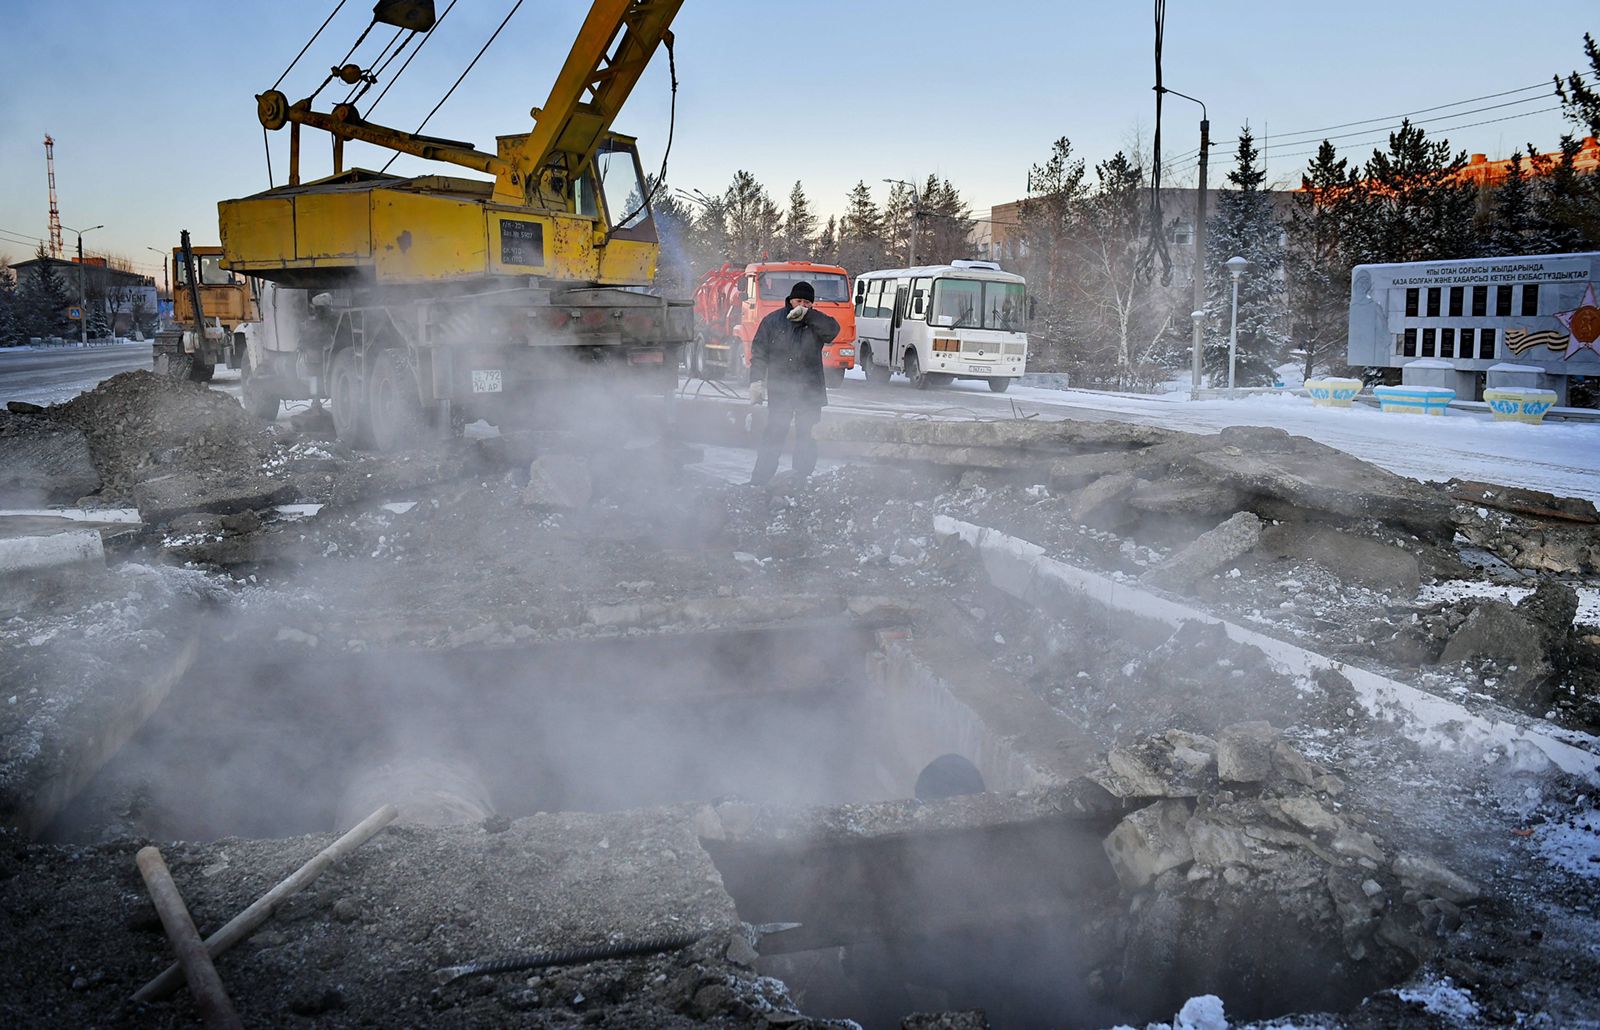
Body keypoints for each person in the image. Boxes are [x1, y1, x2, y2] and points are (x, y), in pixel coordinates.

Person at [748, 280, 839, 486]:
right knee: (774, 434)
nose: (802, 305)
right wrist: (756, 381)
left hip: (810, 391)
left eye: (807, 302)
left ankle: (801, 480)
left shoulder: (816, 323)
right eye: (799, 300)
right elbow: (759, 352)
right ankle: (760, 480)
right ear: (790, 300)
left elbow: (833, 330)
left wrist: (810, 316)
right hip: (781, 390)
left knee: (807, 437)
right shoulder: (773, 321)